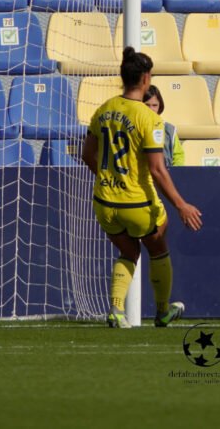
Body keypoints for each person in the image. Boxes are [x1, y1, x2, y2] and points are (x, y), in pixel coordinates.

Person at [81, 47, 203, 328]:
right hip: (136, 203)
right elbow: (158, 170)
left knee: (129, 253)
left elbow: (88, 155)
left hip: (104, 202)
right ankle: (162, 312)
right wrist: (182, 205)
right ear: (146, 78)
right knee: (158, 248)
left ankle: (115, 309)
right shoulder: (151, 119)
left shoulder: (104, 109)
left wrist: (108, 178)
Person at [142, 85, 184, 167]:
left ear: (160, 106)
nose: (151, 109)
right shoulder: (134, 127)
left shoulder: (169, 130)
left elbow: (178, 155)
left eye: (154, 105)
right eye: (147, 105)